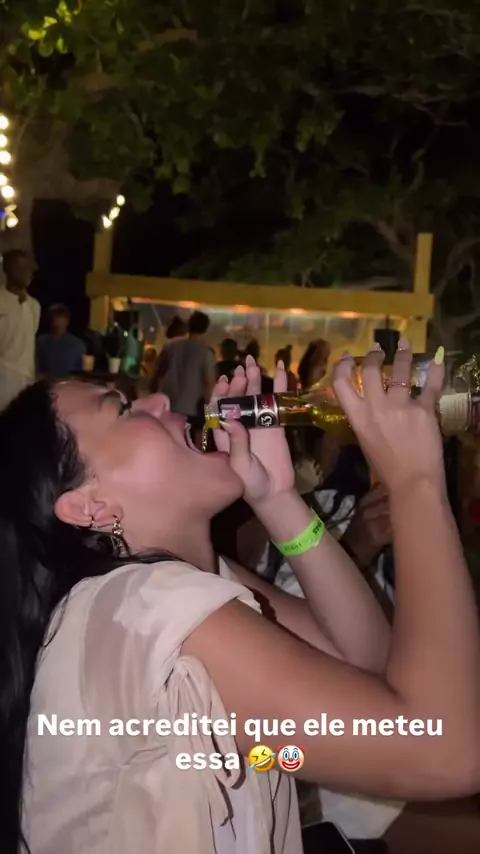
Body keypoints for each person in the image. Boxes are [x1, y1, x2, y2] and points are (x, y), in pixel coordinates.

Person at [2, 342, 480, 854]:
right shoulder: (141, 609)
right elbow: (447, 750)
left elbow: (364, 659)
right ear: (90, 507)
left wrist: (276, 497)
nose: (159, 401)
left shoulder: (173, 587)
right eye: (122, 409)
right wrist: (416, 481)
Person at [152, 311, 215, 416]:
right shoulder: (206, 352)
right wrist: (210, 415)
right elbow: (209, 385)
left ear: (189, 325)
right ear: (206, 329)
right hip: (192, 409)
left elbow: (157, 375)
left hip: (169, 405)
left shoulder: (172, 347)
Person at [0, 249, 40, 409]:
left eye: (29, 268)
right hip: (4, 378)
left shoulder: (34, 306)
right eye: (22, 268)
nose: (28, 273)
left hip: (26, 380)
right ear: (8, 270)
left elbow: (29, 341)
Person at [36, 304, 86, 379]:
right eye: (53, 318)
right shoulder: (40, 342)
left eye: (59, 317)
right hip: (44, 383)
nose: (55, 321)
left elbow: (82, 373)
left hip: (69, 384)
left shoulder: (77, 345)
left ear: (67, 321)